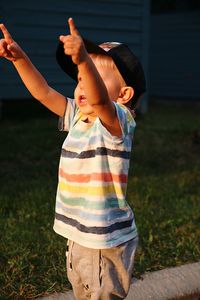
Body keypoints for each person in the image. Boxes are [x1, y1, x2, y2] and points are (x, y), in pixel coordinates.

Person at [0, 18, 146, 299]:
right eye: (79, 78)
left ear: (124, 94)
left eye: (91, 76)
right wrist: (19, 59)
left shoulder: (118, 121)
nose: (81, 85)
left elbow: (102, 100)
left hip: (104, 239)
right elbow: (43, 92)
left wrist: (82, 61)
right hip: (79, 234)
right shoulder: (79, 116)